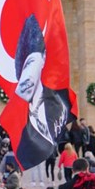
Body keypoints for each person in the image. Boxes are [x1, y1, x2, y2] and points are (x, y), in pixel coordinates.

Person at [12, 15, 72, 169]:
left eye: (32, 63)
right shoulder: (21, 119)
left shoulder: (59, 102)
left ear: (43, 60)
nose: (29, 75)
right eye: (26, 67)